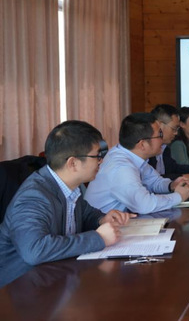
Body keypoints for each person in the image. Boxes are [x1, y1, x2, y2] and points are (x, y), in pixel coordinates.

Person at [0, 121, 133, 286]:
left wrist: (102, 219)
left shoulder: (68, 185)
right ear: (73, 163)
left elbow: (85, 213)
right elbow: (34, 250)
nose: (101, 161)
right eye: (97, 156)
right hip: (21, 287)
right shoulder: (33, 196)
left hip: (55, 276)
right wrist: (98, 238)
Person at [85, 113, 189, 214]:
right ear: (142, 144)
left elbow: (154, 181)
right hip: (103, 225)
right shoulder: (120, 167)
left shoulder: (132, 156)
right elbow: (144, 205)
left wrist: (171, 185)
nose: (162, 139)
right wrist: (178, 196)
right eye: (159, 134)